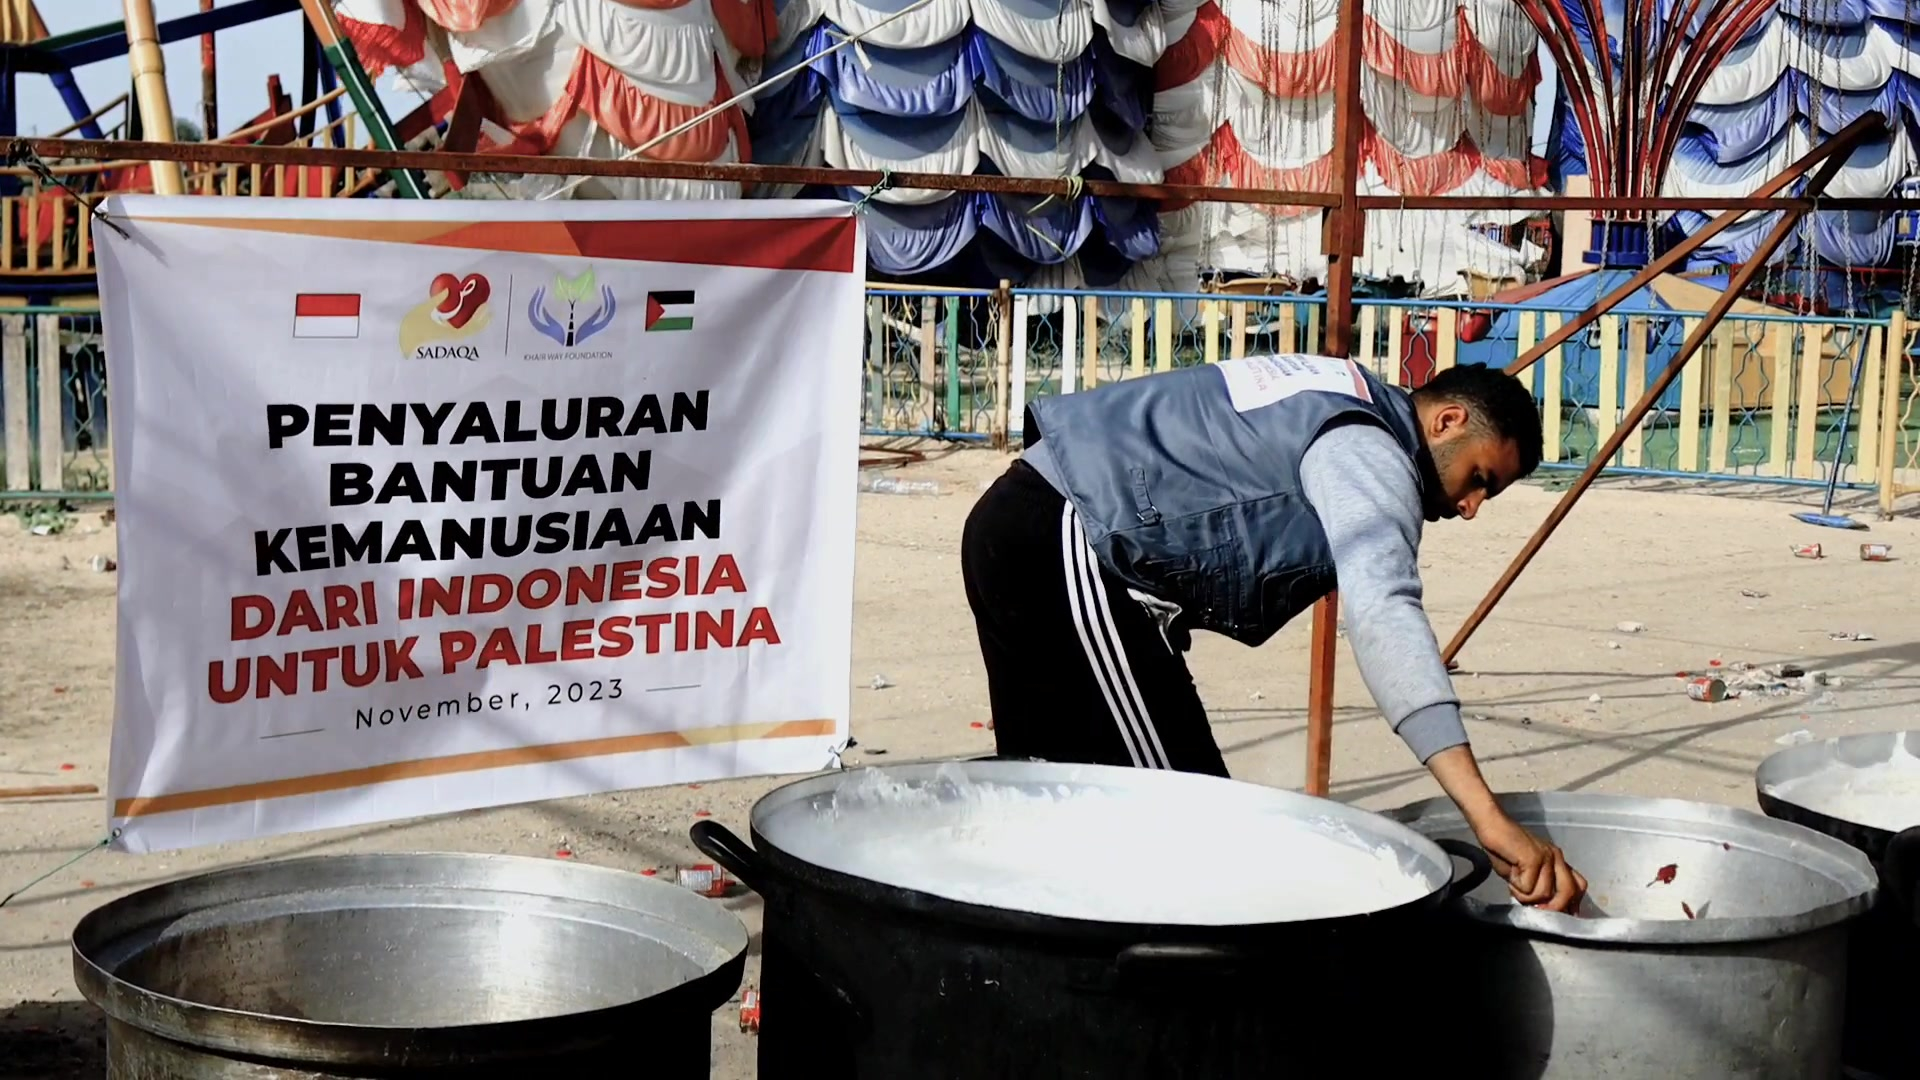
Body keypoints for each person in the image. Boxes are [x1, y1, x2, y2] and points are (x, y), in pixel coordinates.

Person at [961, 354, 1587, 913]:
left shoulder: (1347, 396)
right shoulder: (1368, 448)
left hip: (1044, 526)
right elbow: (1384, 609)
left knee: (1052, 812)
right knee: (1185, 828)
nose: (1470, 508)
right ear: (1448, 421)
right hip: (1067, 541)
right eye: (1481, 479)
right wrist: (1487, 817)